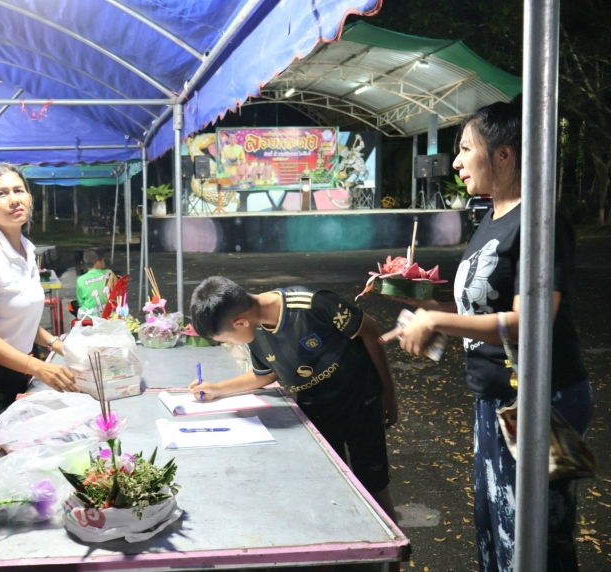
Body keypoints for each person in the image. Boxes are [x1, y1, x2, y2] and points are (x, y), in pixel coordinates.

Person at [392, 101, 592, 571]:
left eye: (465, 149)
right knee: (495, 531)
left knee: (533, 542)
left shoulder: (540, 220)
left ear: (503, 155)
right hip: (495, 400)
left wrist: (437, 323)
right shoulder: (490, 216)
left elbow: (532, 321)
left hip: (540, 401)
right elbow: (480, 310)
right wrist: (424, 311)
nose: (455, 163)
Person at [188, 278, 401, 543]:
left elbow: (371, 331)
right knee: (333, 489)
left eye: (226, 340)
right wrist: (218, 389)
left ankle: (394, 552)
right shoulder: (255, 330)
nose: (230, 344)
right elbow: (266, 375)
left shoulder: (312, 304)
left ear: (240, 323)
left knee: (375, 487)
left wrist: (388, 393)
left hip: (361, 403)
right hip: (316, 412)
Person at [0, 162, 77, 486]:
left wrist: (58, 345)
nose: (14, 200)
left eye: (19, 190)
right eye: (2, 194)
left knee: (18, 458)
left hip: (17, 366)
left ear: (30, 197)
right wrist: (38, 367)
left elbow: (19, 315)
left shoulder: (26, 250)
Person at [71, 248, 118, 316]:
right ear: (98, 263)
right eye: (103, 260)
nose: (104, 263)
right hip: (111, 314)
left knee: (74, 305)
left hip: (92, 317)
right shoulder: (109, 273)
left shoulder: (80, 280)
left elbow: (81, 303)